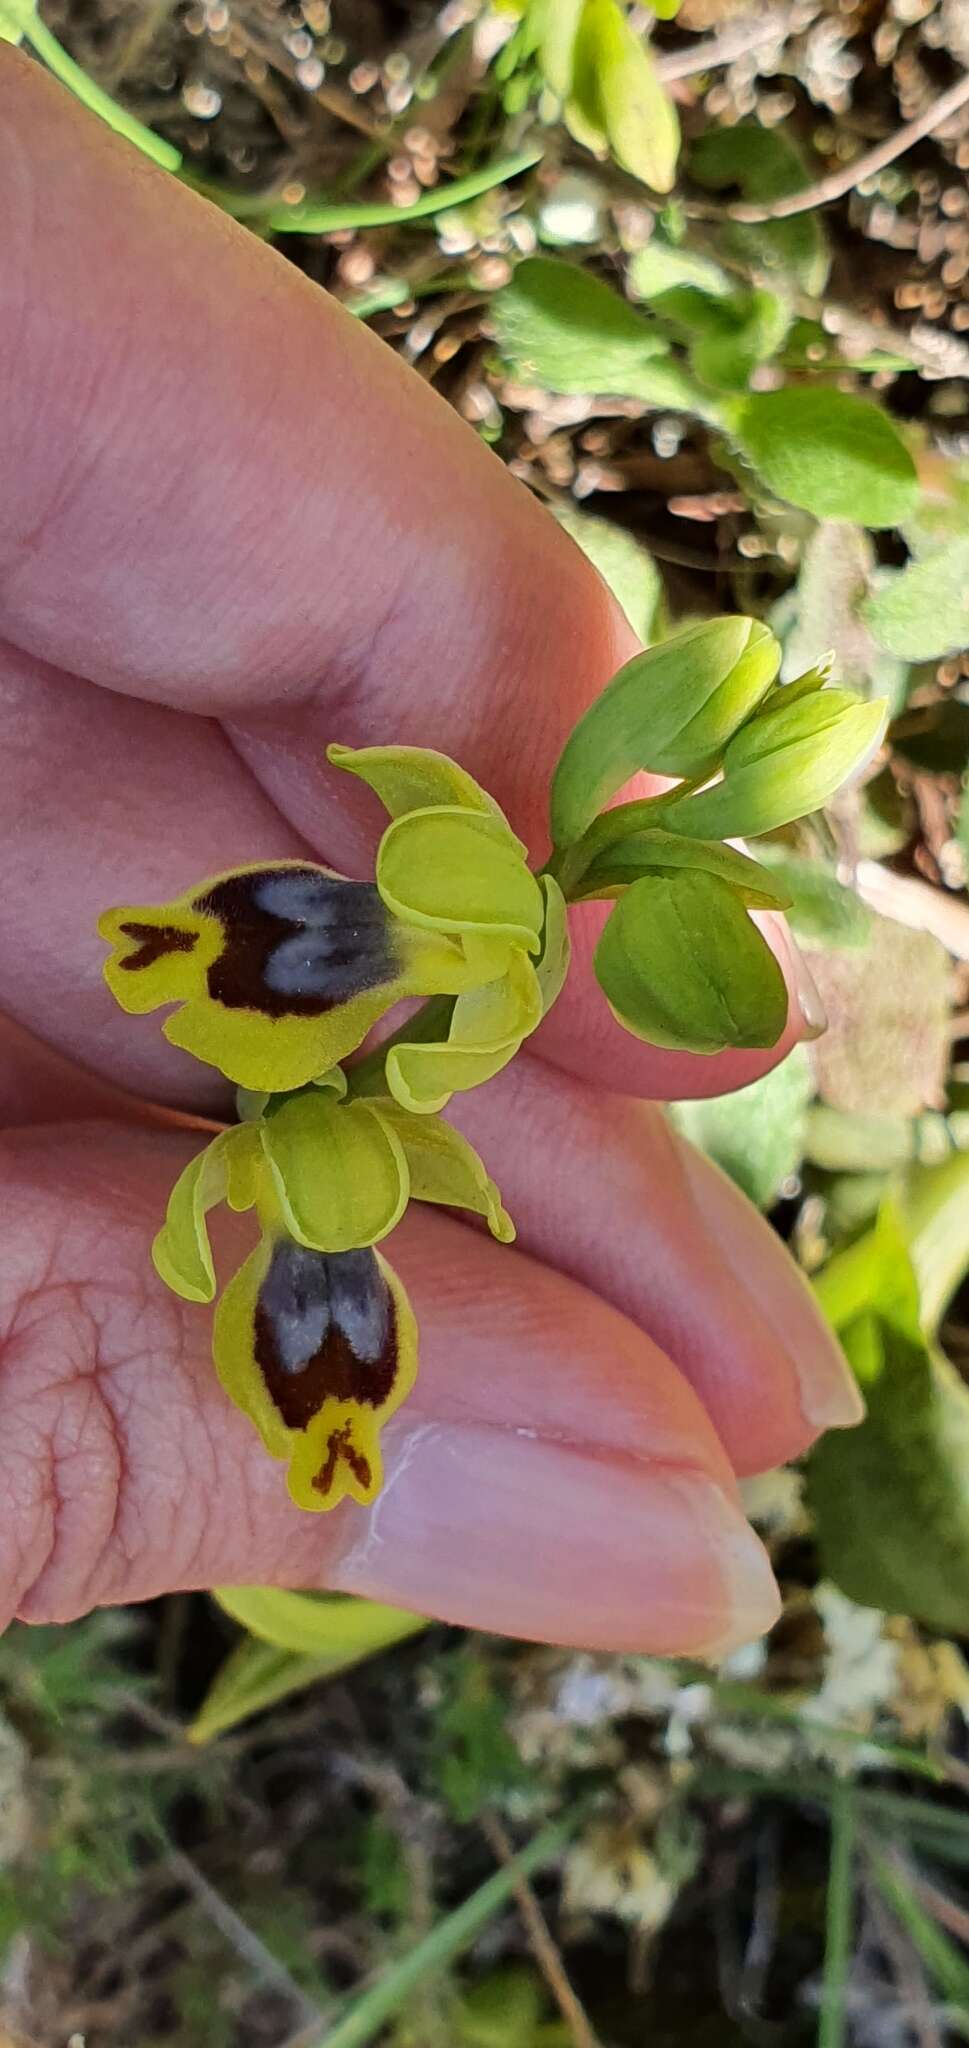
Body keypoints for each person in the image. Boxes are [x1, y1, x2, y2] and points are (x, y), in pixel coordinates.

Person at [0, 47, 860, 1658]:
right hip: (382, 957)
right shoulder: (406, 984)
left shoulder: (408, 1055)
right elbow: (384, 948)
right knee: (310, 956)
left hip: (395, 970)